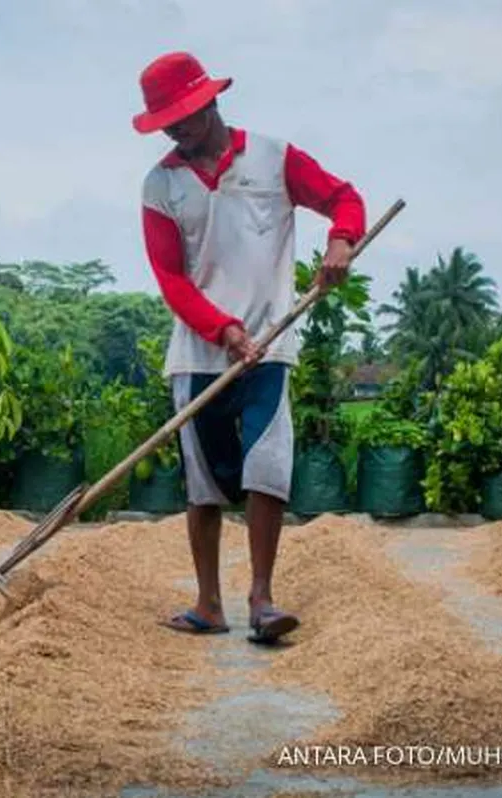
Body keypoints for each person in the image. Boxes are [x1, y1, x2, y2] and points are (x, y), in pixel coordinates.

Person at [134, 51, 366, 643]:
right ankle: (208, 604)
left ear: (210, 101)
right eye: (167, 121)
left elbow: (344, 198)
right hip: (199, 355)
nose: (177, 129)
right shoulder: (161, 185)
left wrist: (341, 242)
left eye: (184, 115)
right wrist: (222, 329)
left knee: (266, 468)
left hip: (269, 344)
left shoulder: (272, 157)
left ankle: (262, 600)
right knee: (204, 482)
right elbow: (172, 281)